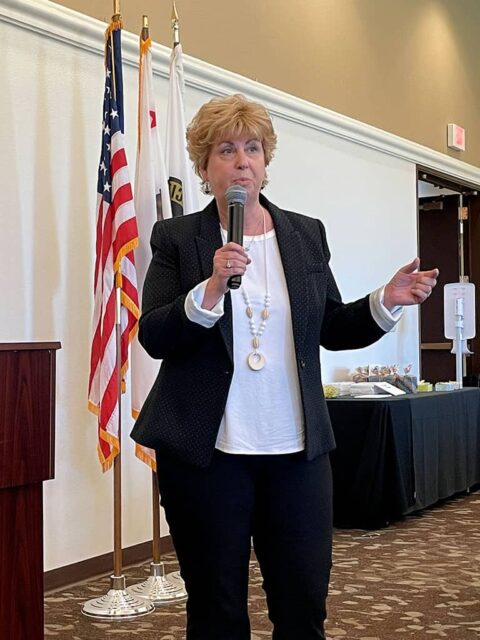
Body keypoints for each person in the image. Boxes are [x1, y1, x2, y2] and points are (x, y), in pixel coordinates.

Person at [131, 94, 438, 640]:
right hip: (207, 455)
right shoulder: (178, 238)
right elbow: (154, 334)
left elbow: (333, 326)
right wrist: (207, 290)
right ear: (205, 168)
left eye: (252, 147)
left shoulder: (305, 233)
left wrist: (385, 300)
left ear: (267, 162)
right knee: (216, 608)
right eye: (225, 149)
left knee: (302, 605)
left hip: (296, 454)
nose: (241, 160)